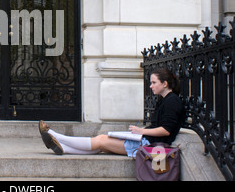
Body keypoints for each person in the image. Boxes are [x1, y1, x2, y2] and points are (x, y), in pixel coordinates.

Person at [39, 67, 185, 157]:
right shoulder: (165, 100)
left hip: (148, 144)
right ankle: (63, 147)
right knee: (101, 141)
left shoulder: (172, 101)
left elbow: (165, 130)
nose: (151, 86)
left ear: (165, 84)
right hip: (146, 140)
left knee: (101, 141)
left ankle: (54, 135)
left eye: (154, 82)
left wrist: (141, 131)